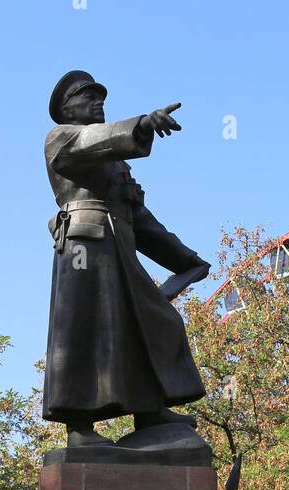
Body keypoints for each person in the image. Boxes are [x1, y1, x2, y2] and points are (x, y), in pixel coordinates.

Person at [43, 70, 210, 451]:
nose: (99, 100)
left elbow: (140, 219)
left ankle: (150, 412)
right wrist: (143, 123)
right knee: (84, 330)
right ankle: (79, 425)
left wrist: (183, 259)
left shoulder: (117, 163)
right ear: (67, 108)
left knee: (155, 322)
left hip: (120, 247)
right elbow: (93, 140)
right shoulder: (62, 137)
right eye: (88, 95)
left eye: (102, 95)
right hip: (85, 248)